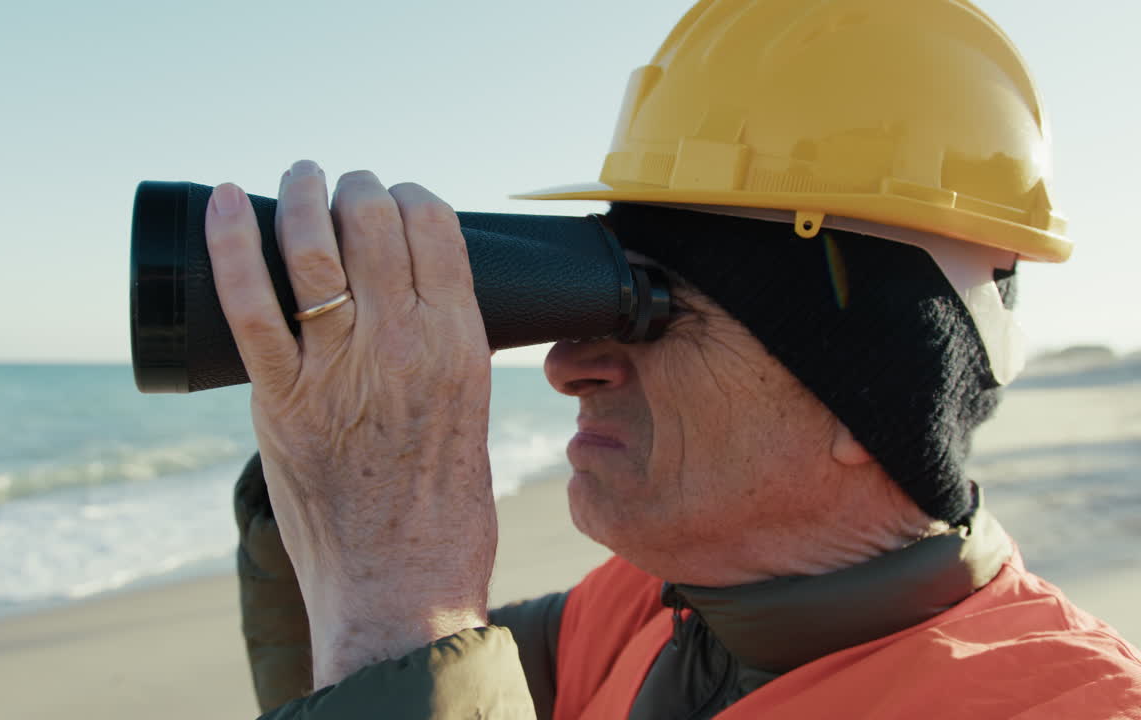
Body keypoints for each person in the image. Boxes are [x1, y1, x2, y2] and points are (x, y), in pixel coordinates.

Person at [206, 0, 1141, 717]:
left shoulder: (1069, 704)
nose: (568, 364)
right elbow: (364, 688)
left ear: (876, 396)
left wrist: (399, 608)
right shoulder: (651, 605)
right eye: (600, 286)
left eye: (654, 308)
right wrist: (319, 487)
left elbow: (400, 662)